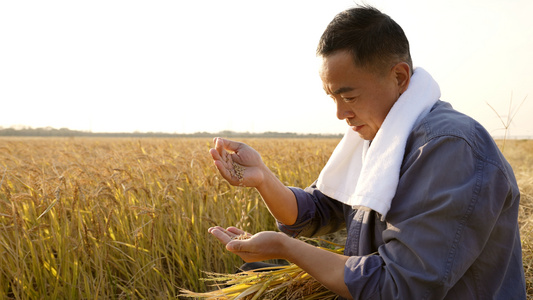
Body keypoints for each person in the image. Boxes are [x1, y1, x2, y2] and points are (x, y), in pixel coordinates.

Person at [208, 5, 526, 299]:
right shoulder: (379, 136)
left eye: (349, 96)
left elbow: (398, 287)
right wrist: (262, 177)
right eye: (332, 97)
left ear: (399, 77)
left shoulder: (449, 149)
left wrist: (284, 247)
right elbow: (318, 210)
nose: (339, 114)